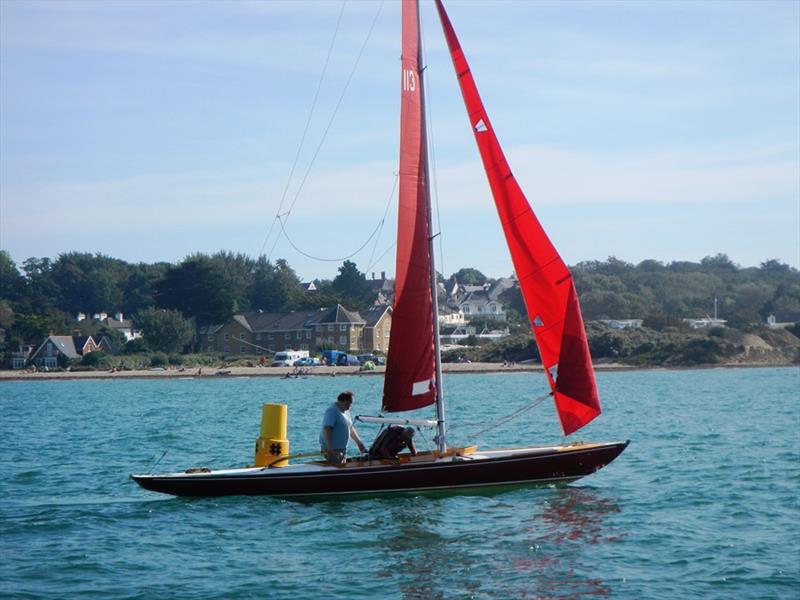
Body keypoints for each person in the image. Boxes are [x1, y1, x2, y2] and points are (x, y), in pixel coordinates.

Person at [319, 391, 366, 464]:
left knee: (342, 468)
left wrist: (359, 443)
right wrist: (330, 447)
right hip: (333, 449)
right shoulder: (332, 411)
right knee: (335, 470)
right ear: (343, 401)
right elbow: (327, 428)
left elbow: (350, 428)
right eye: (350, 402)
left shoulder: (346, 411)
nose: (351, 405)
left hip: (342, 449)